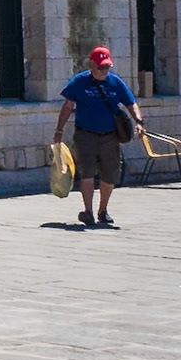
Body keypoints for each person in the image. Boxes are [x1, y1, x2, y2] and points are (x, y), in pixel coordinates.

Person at [53, 46, 146, 227]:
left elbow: (131, 103)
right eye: (100, 67)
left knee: (110, 174)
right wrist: (59, 130)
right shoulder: (79, 82)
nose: (104, 71)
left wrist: (139, 122)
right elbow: (67, 106)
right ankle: (88, 211)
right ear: (91, 65)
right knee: (86, 172)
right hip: (85, 135)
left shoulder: (115, 83)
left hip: (110, 136)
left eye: (107, 67)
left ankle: (103, 210)